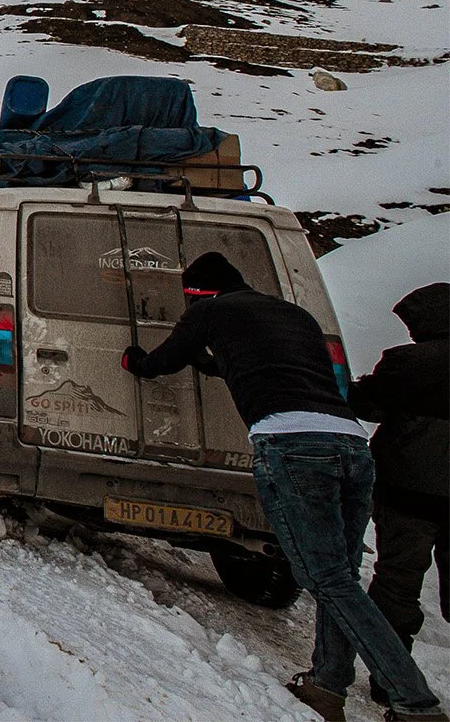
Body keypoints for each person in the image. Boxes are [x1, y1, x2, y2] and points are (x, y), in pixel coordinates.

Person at [123, 253, 445, 722]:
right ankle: (326, 688)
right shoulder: (294, 314)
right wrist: (212, 362)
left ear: (197, 293)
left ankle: (415, 702)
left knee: (328, 579)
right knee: (341, 576)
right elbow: (269, 366)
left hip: (293, 444)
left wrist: (137, 360)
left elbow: (161, 363)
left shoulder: (208, 311)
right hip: (351, 445)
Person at [351, 283, 449, 708]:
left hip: (407, 495)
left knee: (396, 585)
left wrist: (358, 386)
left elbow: (367, 406)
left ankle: (391, 678)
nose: (409, 332)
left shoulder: (406, 362)